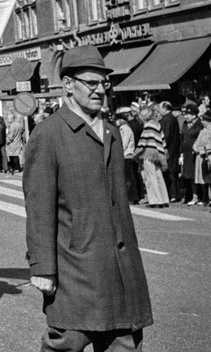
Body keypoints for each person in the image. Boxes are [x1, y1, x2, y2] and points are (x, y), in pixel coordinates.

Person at [23, 45, 152, 352]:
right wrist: (42, 266)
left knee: (124, 342)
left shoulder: (112, 132)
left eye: (103, 84)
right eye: (90, 83)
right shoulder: (49, 133)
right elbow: (39, 206)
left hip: (119, 266)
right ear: (68, 85)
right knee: (67, 342)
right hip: (76, 268)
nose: (99, 91)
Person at [134, 106, 169, 208]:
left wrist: (136, 153)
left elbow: (143, 141)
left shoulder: (148, 126)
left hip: (148, 154)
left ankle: (154, 201)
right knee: (159, 176)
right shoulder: (157, 124)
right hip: (158, 153)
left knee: (150, 177)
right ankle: (164, 199)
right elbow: (161, 140)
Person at [180, 101, 204, 204]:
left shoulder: (199, 125)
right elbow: (182, 138)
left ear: (194, 115)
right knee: (189, 176)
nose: (186, 116)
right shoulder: (185, 124)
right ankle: (193, 195)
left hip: (196, 153)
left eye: (188, 114)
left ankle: (201, 196)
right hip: (186, 153)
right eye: (185, 114)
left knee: (197, 175)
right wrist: (181, 153)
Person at [158, 102, 181, 203]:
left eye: (160, 109)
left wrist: (161, 146)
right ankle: (173, 193)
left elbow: (166, 135)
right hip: (173, 148)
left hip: (169, 149)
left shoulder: (167, 119)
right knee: (172, 171)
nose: (159, 111)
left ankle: (173, 194)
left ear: (164, 108)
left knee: (170, 171)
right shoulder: (172, 118)